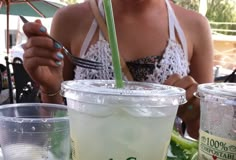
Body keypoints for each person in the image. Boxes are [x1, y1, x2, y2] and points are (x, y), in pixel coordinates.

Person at [22, 0, 214, 139]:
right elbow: (54, 137)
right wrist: (49, 88)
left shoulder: (195, 25)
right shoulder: (70, 20)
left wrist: (195, 114)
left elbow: (208, 136)